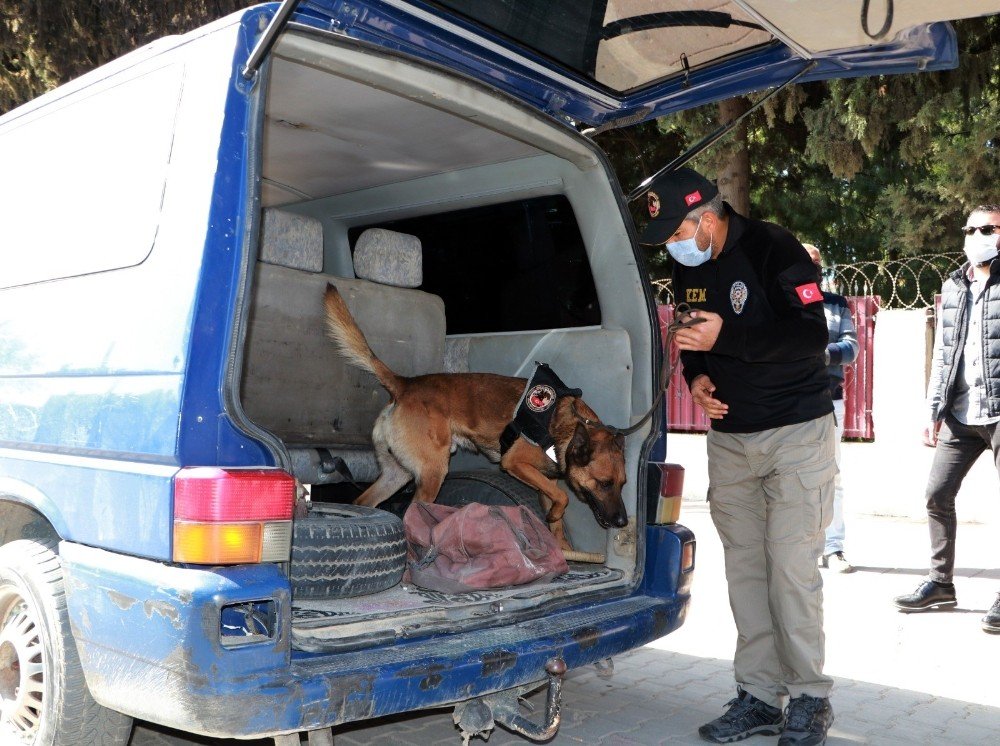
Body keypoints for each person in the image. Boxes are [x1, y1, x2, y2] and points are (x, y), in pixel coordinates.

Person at [641, 167, 837, 745]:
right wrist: (697, 376)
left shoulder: (773, 248)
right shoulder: (688, 264)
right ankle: (757, 695)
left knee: (791, 570)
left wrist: (725, 340)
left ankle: (808, 698)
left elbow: (811, 337)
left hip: (796, 435)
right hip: (730, 441)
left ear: (706, 218)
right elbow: (689, 335)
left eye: (676, 231)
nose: (672, 246)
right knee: (746, 570)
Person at [893, 204, 1000, 635]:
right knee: (937, 493)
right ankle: (941, 583)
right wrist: (932, 409)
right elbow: (943, 353)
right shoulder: (955, 284)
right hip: (960, 412)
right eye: (971, 229)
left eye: (988, 228)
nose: (978, 235)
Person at [803, 244, 859, 573]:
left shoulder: (836, 305)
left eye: (817, 263)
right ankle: (801, 547)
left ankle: (834, 548)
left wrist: (821, 355)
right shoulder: (781, 302)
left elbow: (851, 348)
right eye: (806, 263)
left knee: (832, 475)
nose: (813, 268)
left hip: (828, 398)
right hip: (791, 401)